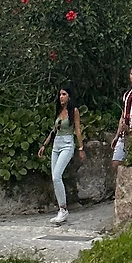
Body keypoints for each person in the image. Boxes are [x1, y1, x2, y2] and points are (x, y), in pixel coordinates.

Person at [38, 86, 84, 225]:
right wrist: (44, 145)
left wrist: (81, 147)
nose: (61, 97)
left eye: (64, 94)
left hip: (67, 144)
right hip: (56, 144)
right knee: (54, 177)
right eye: (60, 94)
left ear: (69, 96)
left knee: (57, 175)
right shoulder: (59, 110)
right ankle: (61, 209)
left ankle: (63, 209)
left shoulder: (73, 111)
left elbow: (77, 130)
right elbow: (54, 130)